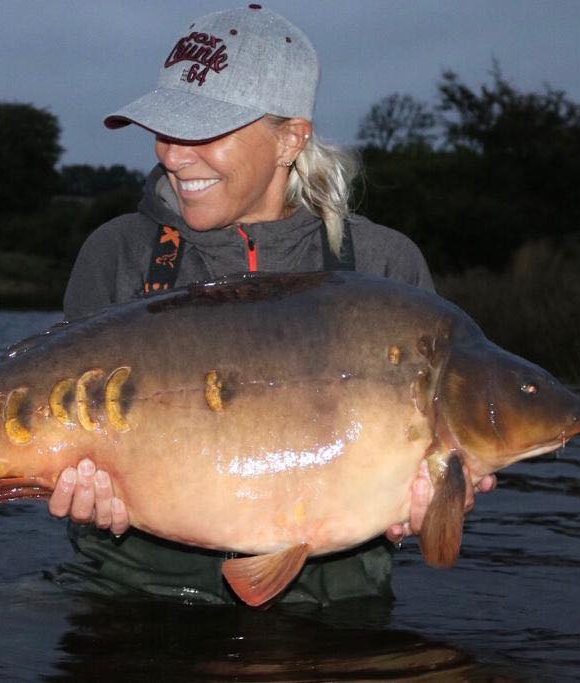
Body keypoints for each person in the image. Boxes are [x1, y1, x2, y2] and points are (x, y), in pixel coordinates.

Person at [46, 4, 495, 604]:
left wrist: (433, 502)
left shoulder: (386, 268)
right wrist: (81, 494)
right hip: (130, 596)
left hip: (333, 611)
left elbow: (433, 465)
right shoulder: (119, 252)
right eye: (165, 128)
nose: (174, 156)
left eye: (204, 131)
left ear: (290, 138)